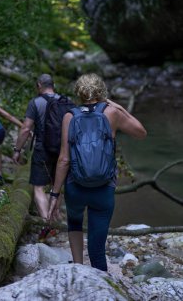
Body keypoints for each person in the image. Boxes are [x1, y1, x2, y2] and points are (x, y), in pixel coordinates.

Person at [47, 73, 147, 271]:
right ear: (102, 91)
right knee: (97, 247)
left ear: (79, 92)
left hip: (75, 187)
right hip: (103, 189)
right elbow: (141, 133)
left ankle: (77, 269)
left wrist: (55, 194)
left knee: (74, 223)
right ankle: (100, 282)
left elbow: (64, 158)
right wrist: (115, 105)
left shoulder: (70, 116)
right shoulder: (112, 113)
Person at [12, 74, 67, 239]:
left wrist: (17, 149)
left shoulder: (35, 102)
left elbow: (26, 129)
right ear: (53, 85)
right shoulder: (64, 101)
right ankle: (56, 218)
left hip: (42, 149)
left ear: (39, 85)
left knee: (38, 187)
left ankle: (46, 223)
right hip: (62, 150)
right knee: (55, 186)